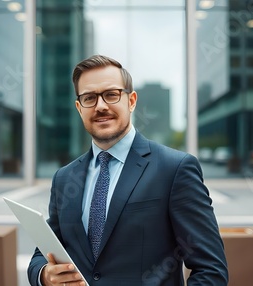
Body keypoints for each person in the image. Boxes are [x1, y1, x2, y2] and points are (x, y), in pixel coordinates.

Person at [27, 55, 228, 285]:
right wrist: (44, 275)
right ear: (79, 108)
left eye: (111, 95)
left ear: (131, 101)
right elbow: (42, 253)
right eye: (89, 98)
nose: (101, 106)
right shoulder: (64, 178)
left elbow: (211, 270)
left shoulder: (175, 169)